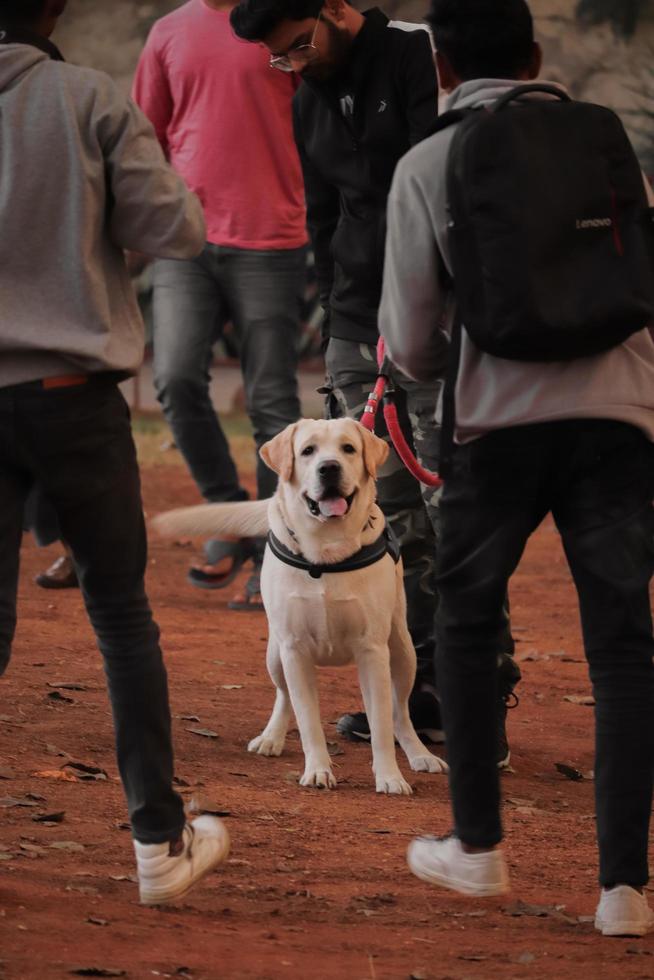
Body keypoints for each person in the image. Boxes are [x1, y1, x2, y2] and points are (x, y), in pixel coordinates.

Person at [379, 0, 654, 937]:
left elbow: (412, 347)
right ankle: (624, 890)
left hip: (496, 427)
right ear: (538, 55)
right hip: (619, 417)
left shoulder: (427, 162)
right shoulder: (603, 137)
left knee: (464, 622)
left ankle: (478, 845)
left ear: (444, 69)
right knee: (621, 649)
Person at [0, 0, 230, 903]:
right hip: (71, 401)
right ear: (53, 8)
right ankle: (157, 849)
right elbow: (176, 231)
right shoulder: (89, 98)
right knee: (121, 618)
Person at [132, 0, 308, 611]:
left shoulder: (282, 21)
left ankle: (272, 553)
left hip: (273, 238)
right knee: (175, 378)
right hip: (185, 241)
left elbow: (318, 120)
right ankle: (227, 515)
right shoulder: (168, 32)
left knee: (271, 403)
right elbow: (146, 138)